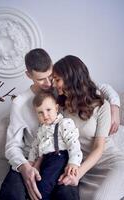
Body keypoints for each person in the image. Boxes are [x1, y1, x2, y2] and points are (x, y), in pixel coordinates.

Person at [0, 48, 120, 200]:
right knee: (12, 195)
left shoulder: (61, 91)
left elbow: (92, 86)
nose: (48, 83)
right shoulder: (21, 103)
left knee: (67, 195)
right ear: (29, 75)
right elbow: (12, 146)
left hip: (66, 158)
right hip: (32, 157)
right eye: (41, 79)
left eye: (51, 77)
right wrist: (24, 167)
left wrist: (115, 105)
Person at [53, 55, 124, 200]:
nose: (54, 84)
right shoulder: (60, 108)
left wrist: (78, 174)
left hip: (109, 163)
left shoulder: (101, 106)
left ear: (70, 79)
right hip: (83, 169)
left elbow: (99, 147)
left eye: (57, 79)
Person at [28, 90, 82, 200]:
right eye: (40, 112)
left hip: (59, 157)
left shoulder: (64, 123)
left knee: (42, 187)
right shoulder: (41, 130)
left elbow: (73, 143)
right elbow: (35, 147)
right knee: (43, 182)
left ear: (56, 108)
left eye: (48, 110)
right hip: (45, 160)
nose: (45, 115)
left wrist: (74, 162)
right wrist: (31, 162)